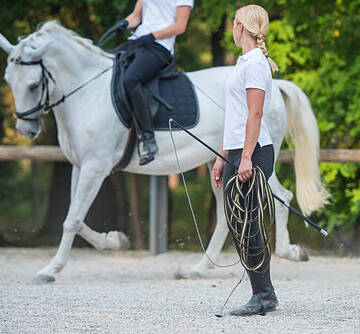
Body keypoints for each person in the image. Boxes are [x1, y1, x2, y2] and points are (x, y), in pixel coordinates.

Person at [211, 5, 279, 316]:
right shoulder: (243, 63)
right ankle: (264, 294)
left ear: (240, 26)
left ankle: (263, 296)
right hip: (238, 151)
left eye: (232, 24)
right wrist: (222, 156)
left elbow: (255, 114)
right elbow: (236, 117)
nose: (230, 29)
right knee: (238, 223)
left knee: (247, 223)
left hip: (254, 151)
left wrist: (247, 157)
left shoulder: (255, 64)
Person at [116, 0, 193, 166]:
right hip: (138, 41)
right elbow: (136, 17)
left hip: (159, 46)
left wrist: (153, 36)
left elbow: (180, 26)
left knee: (131, 79)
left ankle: (148, 138)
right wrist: (125, 23)